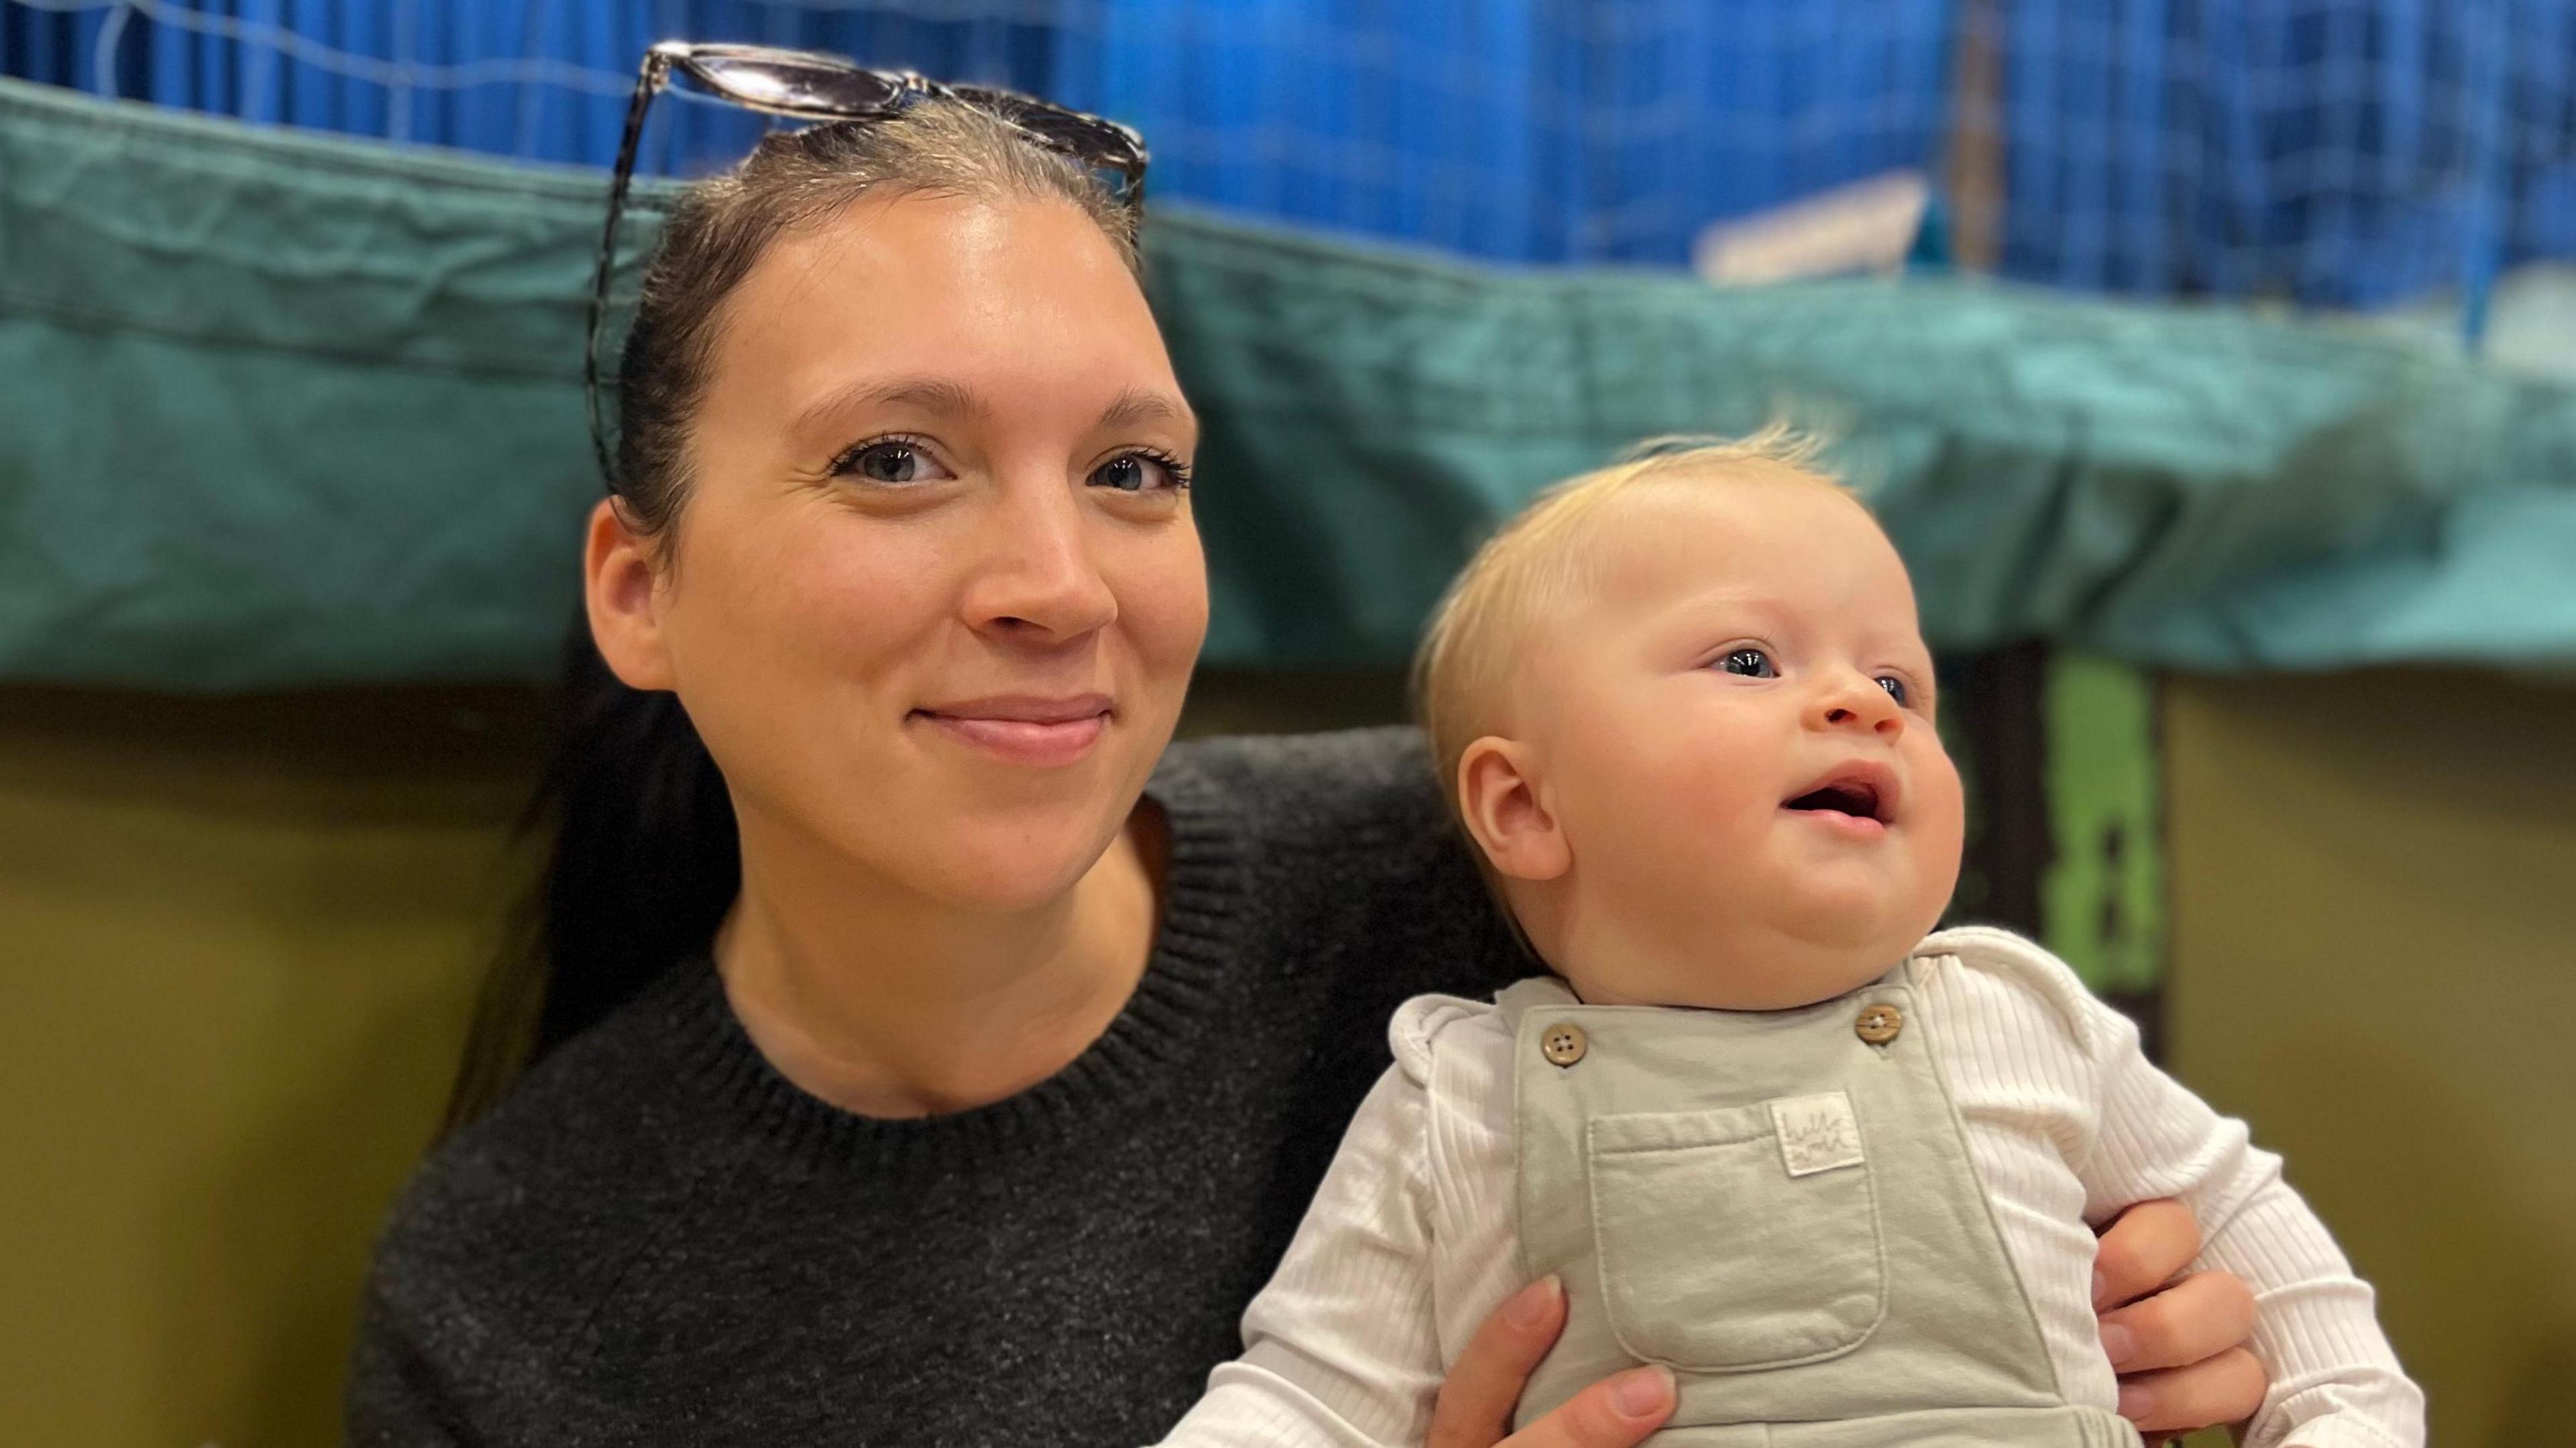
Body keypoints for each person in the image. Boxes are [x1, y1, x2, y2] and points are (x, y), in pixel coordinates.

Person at [344, 74, 2271, 1448]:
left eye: (1133, 474)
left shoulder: (1502, 873)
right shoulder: (512, 1287)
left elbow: (2011, 1159)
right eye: (893, 460)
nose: (1054, 584)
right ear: (640, 587)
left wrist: (2180, 1329)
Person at [1155, 437, 2420, 1448]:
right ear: (1529, 808)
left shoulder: (2022, 1019)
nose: (1859, 703)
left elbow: (2281, 1278)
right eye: (1750, 659)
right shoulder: (1460, 1106)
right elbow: (1308, 1402)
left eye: (1902, 683)